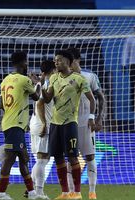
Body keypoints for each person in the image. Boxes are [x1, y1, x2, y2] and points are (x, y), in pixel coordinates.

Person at [42, 50, 96, 200]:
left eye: (58, 60)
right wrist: (41, 85)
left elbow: (92, 99)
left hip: (70, 123)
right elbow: (47, 99)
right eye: (55, 60)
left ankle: (77, 193)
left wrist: (91, 117)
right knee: (58, 158)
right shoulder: (53, 78)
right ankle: (65, 193)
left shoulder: (78, 79)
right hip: (55, 124)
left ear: (67, 61)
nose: (56, 62)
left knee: (72, 158)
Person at [0, 51, 41, 200]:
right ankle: (1, 193)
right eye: (26, 61)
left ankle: (32, 193)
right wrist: (37, 83)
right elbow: (37, 97)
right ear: (22, 63)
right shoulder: (24, 80)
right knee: (10, 158)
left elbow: (2, 105)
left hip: (10, 122)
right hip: (16, 124)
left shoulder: (5, 80)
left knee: (23, 157)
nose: (27, 64)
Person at [67, 47, 106, 200]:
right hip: (69, 123)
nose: (69, 64)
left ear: (77, 60)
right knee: (71, 158)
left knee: (90, 157)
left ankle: (92, 192)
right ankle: (72, 193)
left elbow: (101, 97)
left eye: (71, 61)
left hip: (86, 123)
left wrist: (99, 118)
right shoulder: (62, 77)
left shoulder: (90, 76)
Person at [28, 60, 56, 199]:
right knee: (42, 160)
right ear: (53, 69)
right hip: (42, 123)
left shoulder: (40, 82)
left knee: (43, 160)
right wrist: (45, 123)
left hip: (35, 123)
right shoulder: (48, 82)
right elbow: (39, 104)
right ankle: (38, 192)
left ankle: (32, 190)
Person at [122, 33, 135, 111]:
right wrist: (123, 64)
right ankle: (133, 105)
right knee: (133, 85)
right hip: (133, 64)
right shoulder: (130, 38)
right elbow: (125, 51)